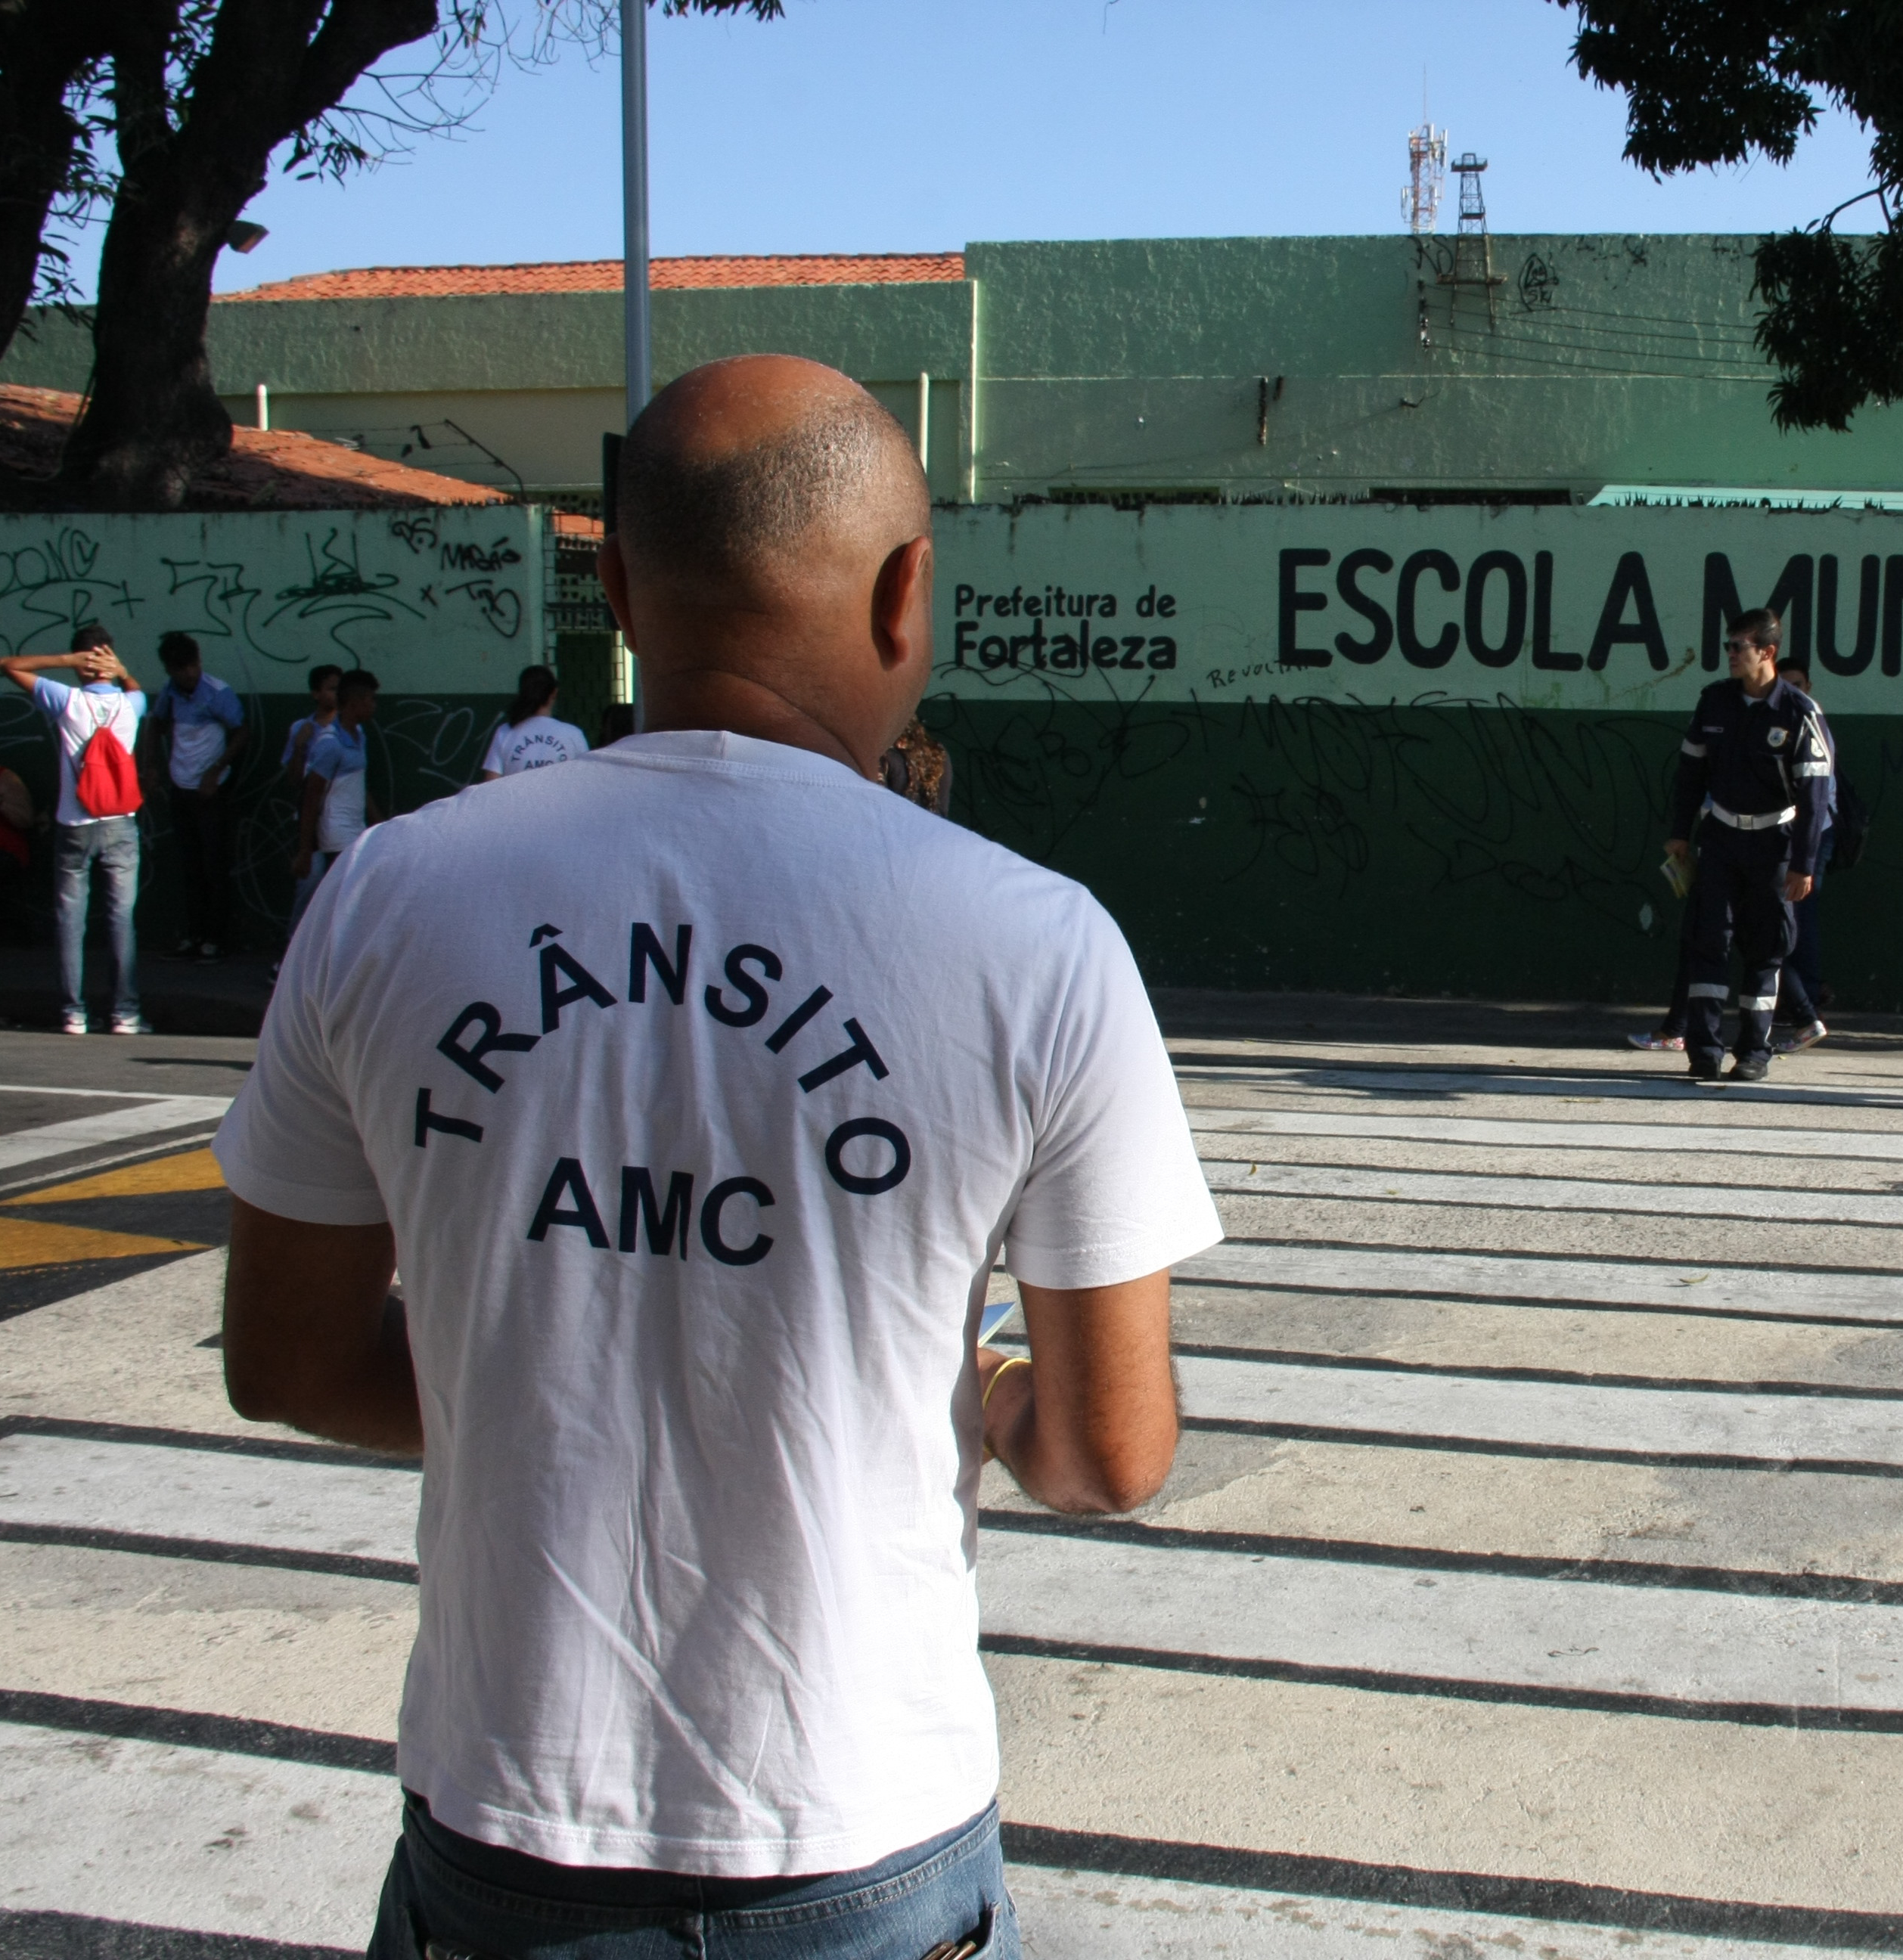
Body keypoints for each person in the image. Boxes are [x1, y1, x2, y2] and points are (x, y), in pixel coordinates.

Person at [215, 353, 1219, 1960]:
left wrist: (545, 1381)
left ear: (617, 591)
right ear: (907, 596)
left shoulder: (389, 895)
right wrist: (973, 1387)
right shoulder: (1037, 945)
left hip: (505, 1824)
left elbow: (286, 1361)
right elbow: (1110, 1453)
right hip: (860, 1836)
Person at [1664, 608, 1834, 1083]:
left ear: (1767, 652)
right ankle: (1703, 1051)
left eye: (1739, 646)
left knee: (1766, 949)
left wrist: (1802, 864)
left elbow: (1815, 797)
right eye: (1729, 645)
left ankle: (1754, 1052)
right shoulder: (1714, 701)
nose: (1731, 654)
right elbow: (1691, 772)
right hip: (1720, 839)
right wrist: (1680, 832)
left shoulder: (1800, 713)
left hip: (1774, 845)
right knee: (1708, 941)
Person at [3, 625, 147, 1036]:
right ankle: (125, 1013)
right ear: (110, 658)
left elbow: (8, 665)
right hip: (120, 822)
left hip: (74, 824)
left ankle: (73, 1013)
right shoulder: (131, 704)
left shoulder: (67, 701)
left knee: (70, 921)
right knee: (121, 919)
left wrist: (65, 663)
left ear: (81, 663)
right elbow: (138, 690)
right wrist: (123, 672)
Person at [150, 631, 246, 960]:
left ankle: (216, 939)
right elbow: (155, 725)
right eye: (181, 669)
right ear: (170, 670)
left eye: (193, 665)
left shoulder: (217, 692)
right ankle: (194, 935)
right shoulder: (170, 694)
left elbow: (241, 731)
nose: (189, 673)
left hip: (211, 791)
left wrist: (216, 771)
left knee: (214, 864)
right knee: (190, 865)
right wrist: (151, 766)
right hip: (181, 787)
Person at [1770, 653, 1834, 1053]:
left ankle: (1805, 1006)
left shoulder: (1810, 721)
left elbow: (1815, 797)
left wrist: (1803, 857)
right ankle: (1800, 1006)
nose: (1792, 691)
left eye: (1798, 684)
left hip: (1810, 835)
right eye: (1786, 684)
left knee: (1793, 920)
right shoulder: (1775, 718)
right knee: (1782, 922)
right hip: (1782, 835)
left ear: (1808, 687)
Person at [287, 669, 380, 946]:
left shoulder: (359, 735)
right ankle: (292, 955)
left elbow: (358, 787)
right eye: (371, 699)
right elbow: (310, 798)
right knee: (322, 904)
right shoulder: (330, 744)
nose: (374, 705)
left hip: (354, 833)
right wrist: (306, 850)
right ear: (355, 703)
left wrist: (381, 824)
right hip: (333, 840)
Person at [475, 665, 590, 781]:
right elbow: (586, 780)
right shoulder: (574, 734)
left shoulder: (505, 732)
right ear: (554, 693)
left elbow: (491, 782)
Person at [282, 665, 343, 782]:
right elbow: (294, 779)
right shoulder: (300, 727)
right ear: (316, 694)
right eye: (333, 689)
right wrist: (299, 746)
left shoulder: (351, 726)